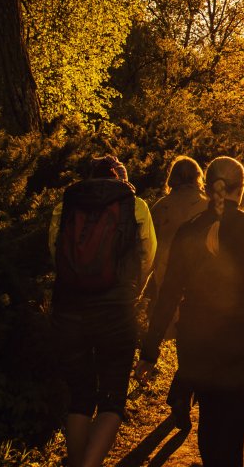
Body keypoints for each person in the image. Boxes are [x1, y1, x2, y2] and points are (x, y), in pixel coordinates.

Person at [135, 156, 244, 466]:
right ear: (241, 189)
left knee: (210, 423)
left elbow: (169, 296)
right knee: (233, 428)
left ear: (208, 186)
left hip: (197, 344)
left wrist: (149, 351)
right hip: (242, 344)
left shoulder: (189, 231)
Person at [49, 155, 157, 467]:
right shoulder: (135, 205)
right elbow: (148, 255)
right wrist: (133, 288)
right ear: (121, 178)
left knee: (80, 399)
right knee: (112, 399)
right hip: (116, 311)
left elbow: (53, 254)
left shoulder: (66, 203)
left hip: (69, 310)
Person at [142, 155, 207, 429]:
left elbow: (149, 250)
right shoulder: (208, 206)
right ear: (197, 177)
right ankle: (181, 394)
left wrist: (146, 287)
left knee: (186, 347)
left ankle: (181, 395)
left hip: (166, 282)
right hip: (199, 288)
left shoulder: (161, 207)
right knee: (199, 346)